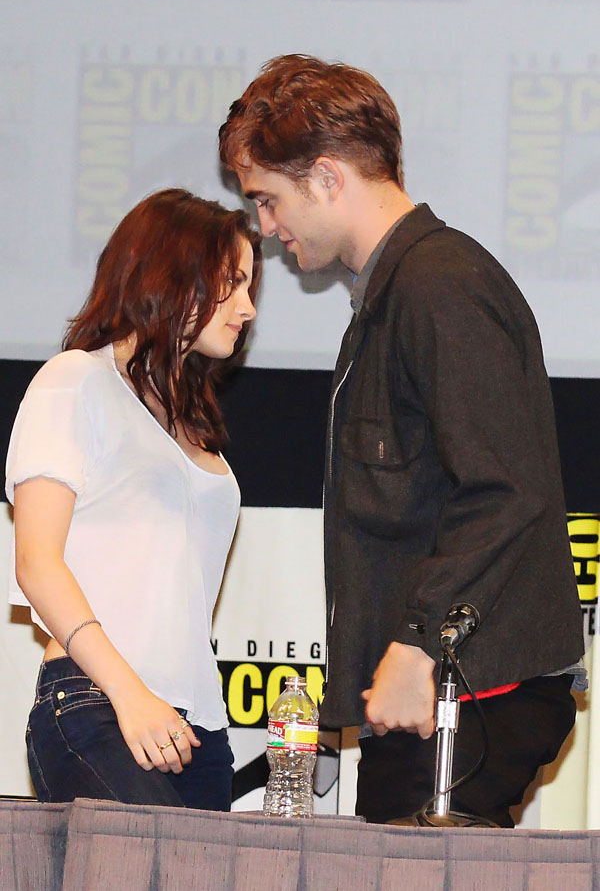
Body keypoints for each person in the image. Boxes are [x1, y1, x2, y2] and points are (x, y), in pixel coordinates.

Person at [219, 55, 586, 826]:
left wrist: (419, 646)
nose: (265, 227)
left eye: (267, 199)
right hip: (436, 692)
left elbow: (505, 488)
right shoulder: (398, 289)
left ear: (325, 178)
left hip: (466, 691)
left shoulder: (439, 284)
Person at [6, 189, 261, 809]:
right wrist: (129, 694)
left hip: (201, 730)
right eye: (232, 283)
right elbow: (37, 563)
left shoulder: (198, 428)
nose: (248, 308)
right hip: (100, 704)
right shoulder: (75, 381)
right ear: (171, 274)